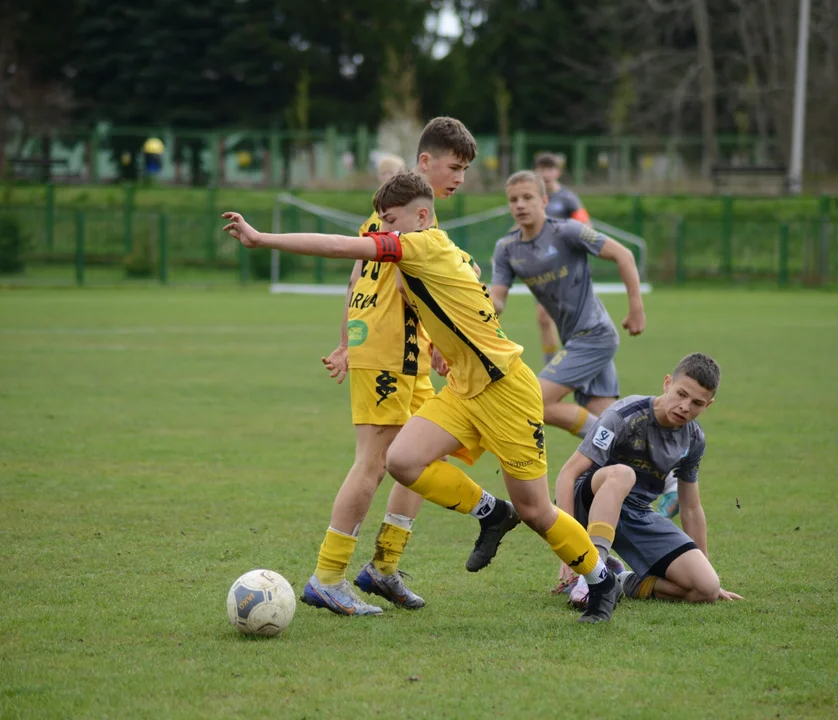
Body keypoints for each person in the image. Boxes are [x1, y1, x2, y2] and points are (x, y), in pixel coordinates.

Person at [223, 171, 623, 623]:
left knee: (535, 509)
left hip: (506, 391)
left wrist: (263, 238)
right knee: (401, 460)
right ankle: (491, 512)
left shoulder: (421, 244)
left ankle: (600, 578)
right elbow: (451, 299)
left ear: (420, 215)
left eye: (390, 222)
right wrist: (440, 347)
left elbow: (339, 247)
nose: (383, 230)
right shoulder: (429, 252)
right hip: (463, 389)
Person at [301, 118, 479, 616]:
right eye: (454, 166)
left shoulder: (393, 212)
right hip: (388, 357)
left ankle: (383, 567)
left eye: (465, 168)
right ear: (426, 161)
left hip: (406, 356)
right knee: (374, 463)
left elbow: (360, 272)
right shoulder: (409, 217)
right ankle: (328, 577)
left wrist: (345, 340)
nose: (460, 177)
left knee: (420, 459)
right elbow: (402, 285)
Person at [554, 353, 743, 605]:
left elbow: (690, 506)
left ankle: (618, 581)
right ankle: (594, 574)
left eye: (697, 403)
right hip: (588, 502)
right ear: (667, 383)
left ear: (707, 406)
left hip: (636, 513)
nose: (686, 406)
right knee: (623, 474)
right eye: (681, 394)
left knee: (705, 588)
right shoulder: (625, 415)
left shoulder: (693, 438)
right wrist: (567, 547)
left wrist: (705, 567)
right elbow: (567, 475)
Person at [490, 171, 646, 442]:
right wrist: (472, 301)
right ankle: (658, 471)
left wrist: (636, 309)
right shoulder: (506, 248)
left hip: (595, 334)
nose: (520, 205)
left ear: (544, 200)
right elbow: (498, 301)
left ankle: (603, 445)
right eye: (513, 199)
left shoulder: (567, 232)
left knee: (532, 401)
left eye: (528, 197)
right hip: (574, 340)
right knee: (611, 418)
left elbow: (624, 254)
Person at [533, 152, 590, 366]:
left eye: (550, 169)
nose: (546, 173)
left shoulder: (568, 199)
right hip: (540, 267)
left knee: (565, 318)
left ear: (558, 172)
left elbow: (586, 227)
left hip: (565, 267)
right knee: (543, 318)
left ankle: (576, 360)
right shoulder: (533, 198)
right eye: (541, 168)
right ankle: (551, 364)